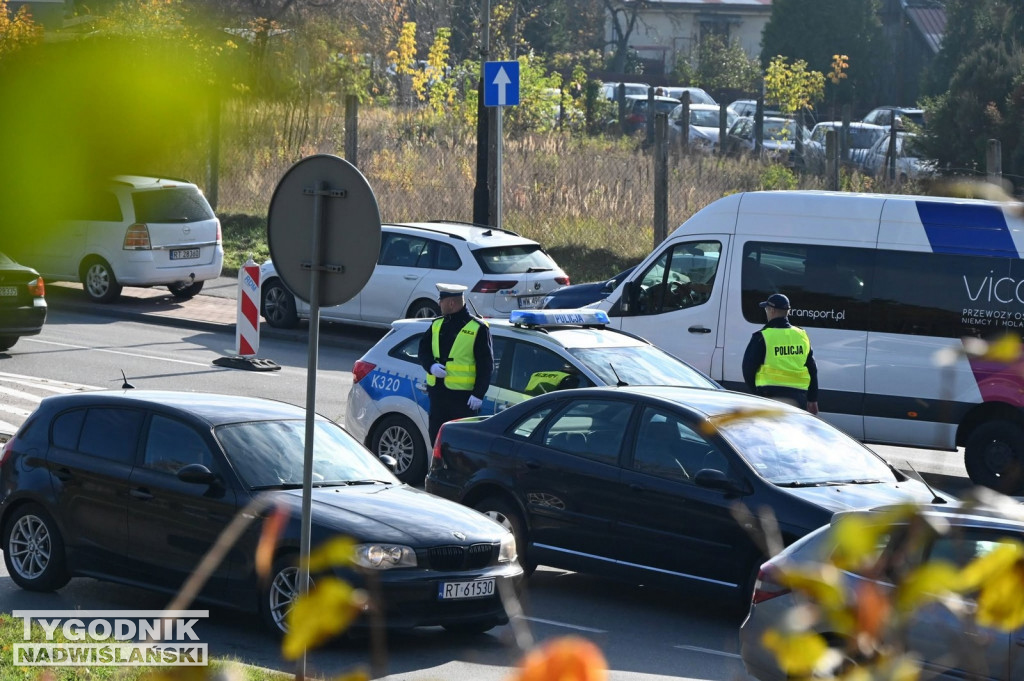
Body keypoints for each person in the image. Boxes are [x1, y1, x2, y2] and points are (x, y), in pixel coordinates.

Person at [418, 283, 494, 446]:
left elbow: (486, 364)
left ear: (451, 303)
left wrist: (478, 393)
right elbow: (423, 351)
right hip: (439, 396)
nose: (439, 304)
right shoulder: (437, 324)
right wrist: (431, 366)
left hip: (463, 400)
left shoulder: (478, 328)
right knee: (437, 441)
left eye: (441, 300)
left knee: (460, 446)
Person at [742, 293, 819, 414]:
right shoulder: (802, 335)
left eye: (766, 309)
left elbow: (748, 369)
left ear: (771, 310)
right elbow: (812, 369)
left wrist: (756, 393)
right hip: (798, 398)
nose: (766, 312)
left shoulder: (762, 337)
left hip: (770, 396)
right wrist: (812, 398)